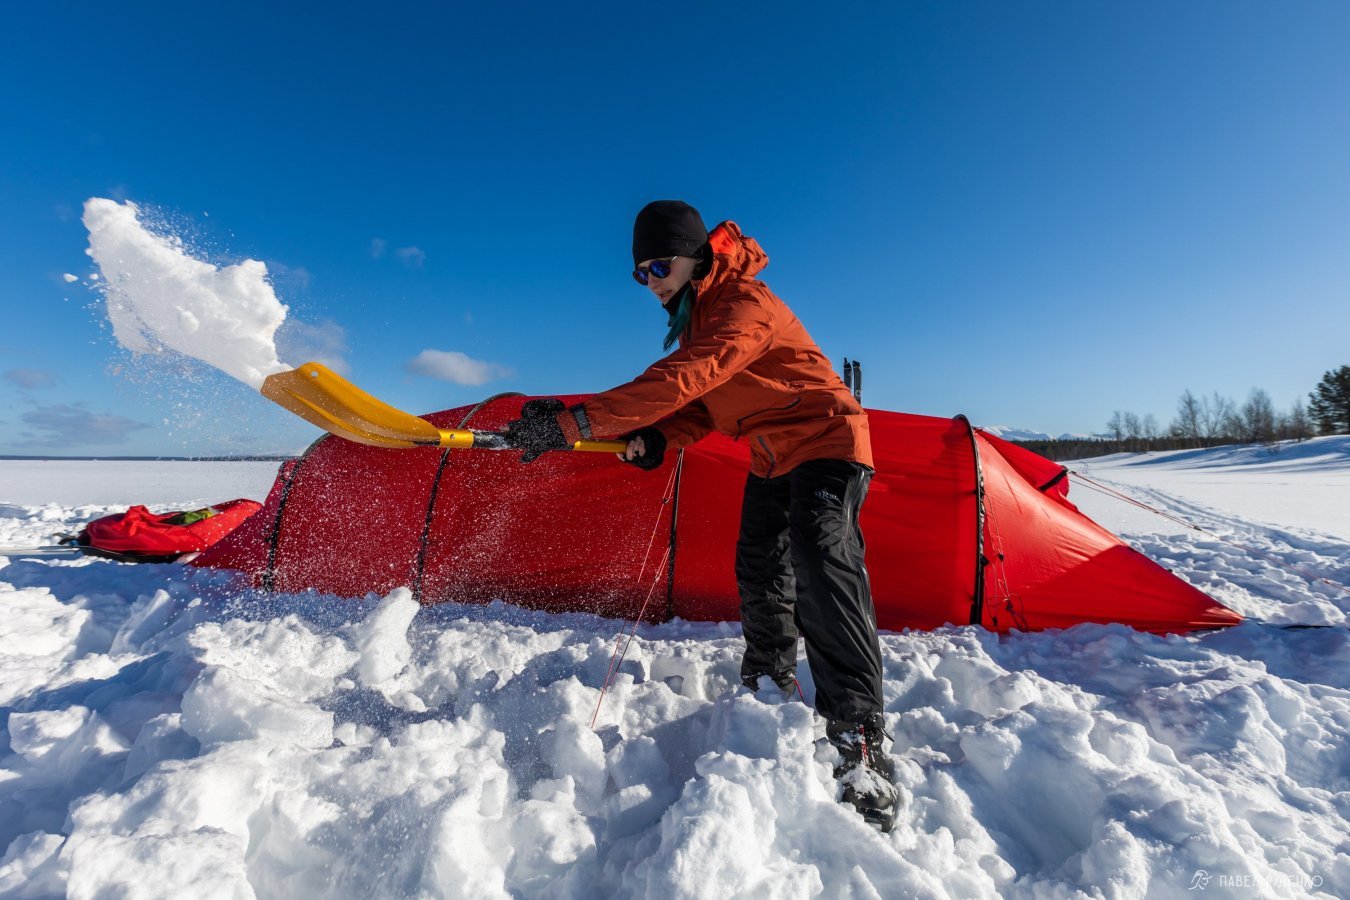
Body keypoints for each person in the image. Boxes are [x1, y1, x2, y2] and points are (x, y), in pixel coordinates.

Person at [505, 200, 900, 831]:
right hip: (772, 456)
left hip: (828, 443)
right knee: (759, 567)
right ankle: (769, 684)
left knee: (821, 559)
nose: (651, 281)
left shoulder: (744, 303)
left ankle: (859, 739)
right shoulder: (698, 318)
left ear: (695, 257)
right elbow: (703, 408)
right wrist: (658, 437)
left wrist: (575, 421)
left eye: (659, 266)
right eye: (640, 273)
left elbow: (689, 377)